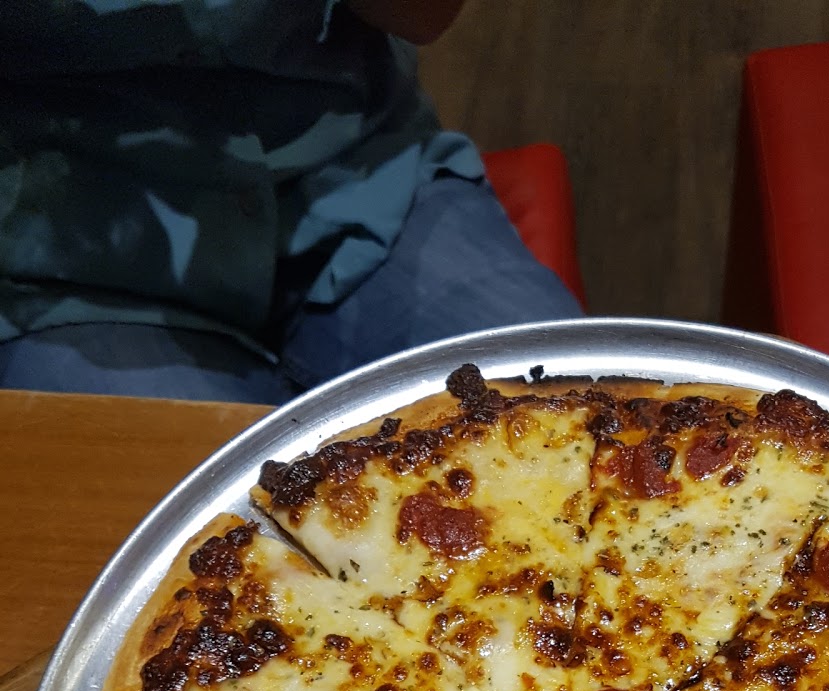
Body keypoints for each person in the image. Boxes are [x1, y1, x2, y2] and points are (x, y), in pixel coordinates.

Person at [0, 0, 582, 403]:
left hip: (352, 178)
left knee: (580, 412)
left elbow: (425, 17)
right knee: (176, 529)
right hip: (64, 264)